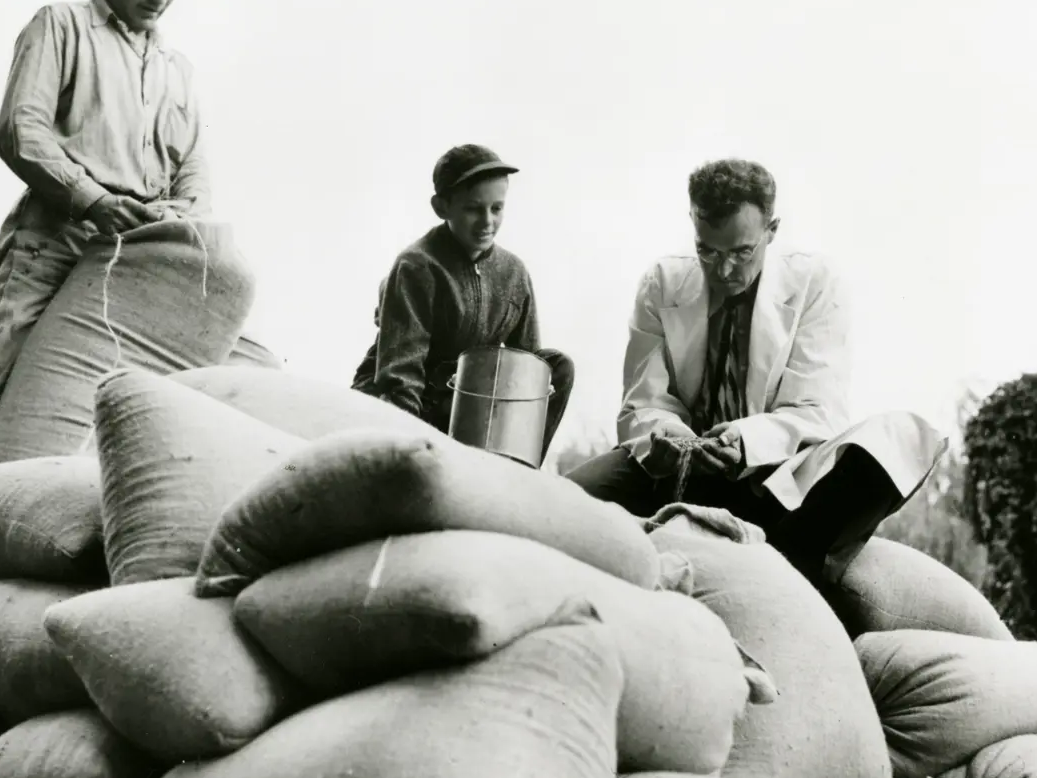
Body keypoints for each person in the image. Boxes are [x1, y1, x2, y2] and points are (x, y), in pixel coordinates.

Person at [0, 0, 209, 489]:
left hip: (139, 250)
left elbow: (194, 166)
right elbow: (20, 130)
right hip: (58, 234)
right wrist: (93, 199)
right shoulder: (61, 26)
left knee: (134, 395)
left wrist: (182, 212)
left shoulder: (177, 69)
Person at [566, 157, 945, 584]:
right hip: (675, 469)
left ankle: (785, 568)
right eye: (706, 251)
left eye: (741, 252)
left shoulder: (815, 281)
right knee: (560, 505)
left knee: (897, 436)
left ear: (772, 231)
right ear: (693, 223)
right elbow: (642, 402)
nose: (723, 271)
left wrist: (743, 441)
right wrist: (670, 440)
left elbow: (815, 410)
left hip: (769, 472)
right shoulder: (661, 282)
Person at [352, 145, 574, 454]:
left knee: (555, 366)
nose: (486, 221)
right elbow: (401, 372)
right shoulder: (417, 266)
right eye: (473, 208)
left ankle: (520, 465)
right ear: (441, 207)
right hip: (415, 398)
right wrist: (407, 448)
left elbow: (525, 362)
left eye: (497, 209)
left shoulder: (514, 272)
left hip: (467, 399)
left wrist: (531, 391)